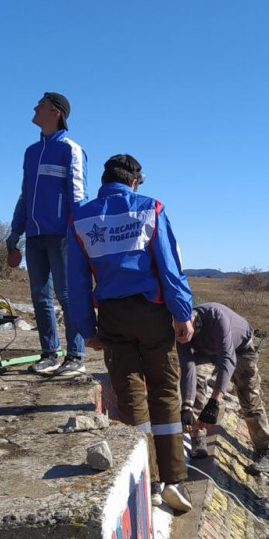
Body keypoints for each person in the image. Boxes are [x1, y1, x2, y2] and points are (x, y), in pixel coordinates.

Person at [66, 154, 194, 513]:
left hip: (112, 315)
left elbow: (76, 281)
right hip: (152, 312)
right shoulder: (150, 208)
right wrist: (183, 313)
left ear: (104, 181)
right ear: (134, 181)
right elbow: (170, 267)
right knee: (164, 390)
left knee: (130, 396)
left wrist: (86, 328)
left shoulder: (80, 217)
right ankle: (174, 480)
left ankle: (147, 480)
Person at [5, 93, 87, 376]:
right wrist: (15, 231)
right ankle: (49, 353)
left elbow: (78, 195)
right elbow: (25, 194)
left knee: (67, 295)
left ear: (56, 113)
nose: (34, 108)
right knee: (40, 297)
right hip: (34, 236)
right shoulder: (30, 152)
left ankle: (75, 355)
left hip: (62, 235)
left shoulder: (70, 149)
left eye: (40, 105)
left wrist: (76, 233)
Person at [178, 303, 269, 474]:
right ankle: (197, 437)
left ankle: (264, 451)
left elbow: (227, 360)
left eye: (186, 332)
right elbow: (188, 368)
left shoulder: (216, 317)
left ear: (192, 321)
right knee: (197, 377)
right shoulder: (179, 329)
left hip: (240, 349)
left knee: (249, 398)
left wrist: (214, 402)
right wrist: (186, 405)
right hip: (208, 352)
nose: (182, 336)